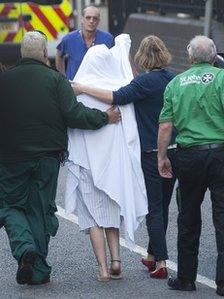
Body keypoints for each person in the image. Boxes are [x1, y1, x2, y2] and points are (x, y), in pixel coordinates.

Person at [0, 30, 120, 286]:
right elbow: (75, 114)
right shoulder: (56, 80)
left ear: (21, 54)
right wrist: (104, 118)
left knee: (9, 206)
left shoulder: (4, 80)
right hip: (47, 159)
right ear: (45, 54)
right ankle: (38, 271)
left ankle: (24, 250)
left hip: (10, 159)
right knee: (40, 211)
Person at [73, 35, 177, 279]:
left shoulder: (143, 83)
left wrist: (81, 88)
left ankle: (161, 261)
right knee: (163, 203)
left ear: (142, 57)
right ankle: (152, 254)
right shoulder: (173, 78)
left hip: (152, 152)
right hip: (176, 150)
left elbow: (115, 96)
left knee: (154, 207)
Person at [65, 34, 148, 282]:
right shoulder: (118, 91)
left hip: (87, 165)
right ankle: (116, 262)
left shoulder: (77, 91)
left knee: (93, 219)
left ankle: (101, 268)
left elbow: (71, 122)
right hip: (113, 167)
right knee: (111, 216)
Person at [157, 35, 224, 297]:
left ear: (191, 57)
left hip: (189, 157)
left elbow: (165, 126)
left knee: (188, 218)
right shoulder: (221, 79)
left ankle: (186, 278)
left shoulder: (176, 83)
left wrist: (162, 157)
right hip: (220, 154)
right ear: (215, 56)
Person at [55, 5, 114, 80]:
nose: (91, 21)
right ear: (82, 19)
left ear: (98, 21)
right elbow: (59, 55)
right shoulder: (69, 39)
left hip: (98, 87)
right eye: (88, 17)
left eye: (95, 18)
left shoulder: (108, 39)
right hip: (74, 87)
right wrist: (63, 77)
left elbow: (115, 60)